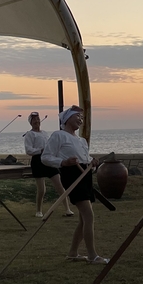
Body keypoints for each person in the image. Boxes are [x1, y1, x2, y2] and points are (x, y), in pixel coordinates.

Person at [42, 106, 107, 263]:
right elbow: (45, 157)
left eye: (82, 118)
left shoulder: (81, 140)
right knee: (88, 216)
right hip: (71, 175)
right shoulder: (59, 135)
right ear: (67, 119)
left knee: (83, 219)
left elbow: (83, 157)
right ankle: (92, 255)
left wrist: (92, 161)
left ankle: (73, 253)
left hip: (84, 175)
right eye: (77, 116)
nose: (80, 119)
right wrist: (63, 162)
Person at [24, 112, 71, 218]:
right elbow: (28, 150)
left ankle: (67, 209)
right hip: (37, 161)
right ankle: (39, 210)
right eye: (34, 120)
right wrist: (40, 150)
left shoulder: (45, 133)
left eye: (38, 119)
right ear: (31, 122)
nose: (37, 121)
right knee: (41, 189)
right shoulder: (30, 134)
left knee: (59, 185)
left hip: (49, 160)